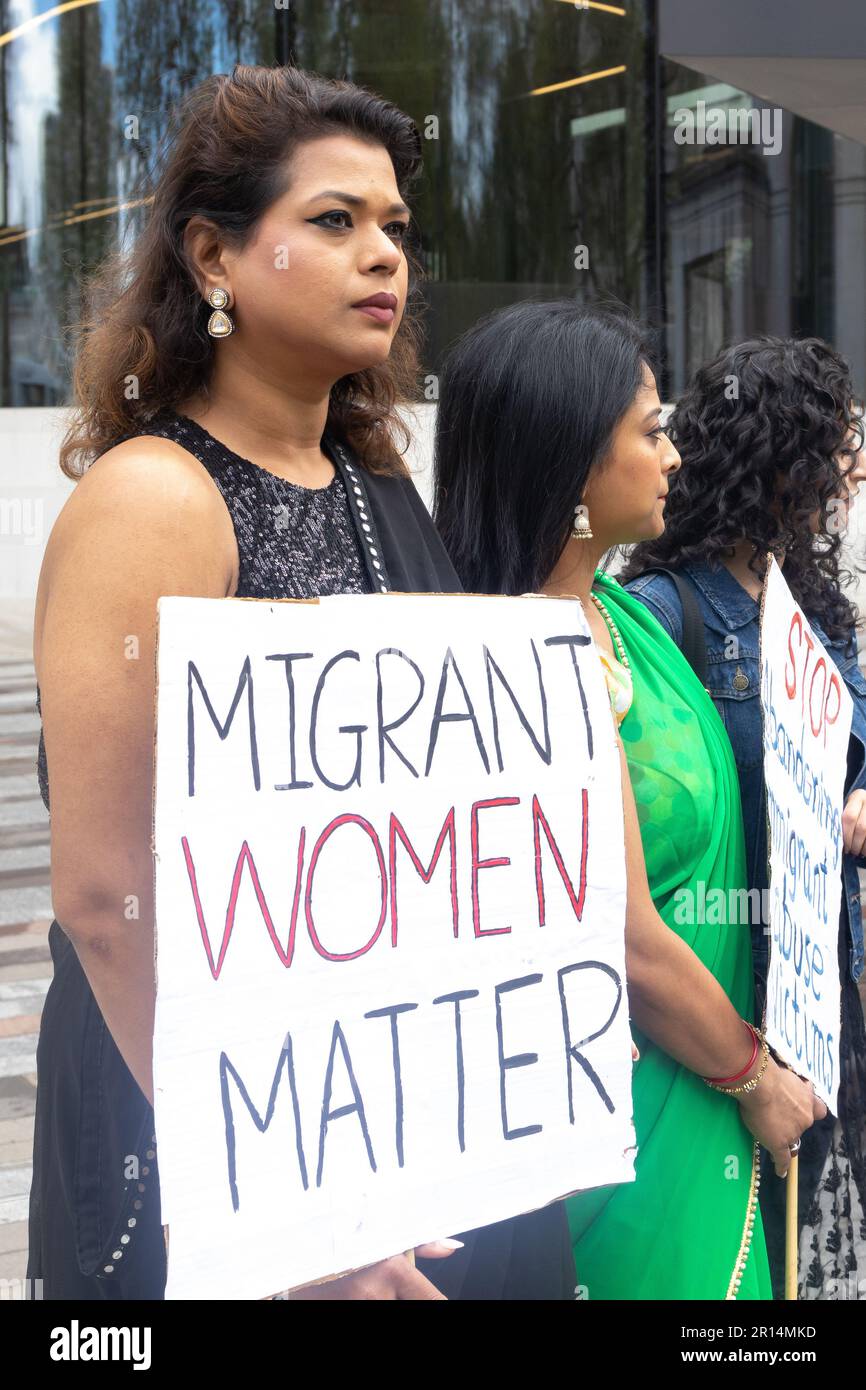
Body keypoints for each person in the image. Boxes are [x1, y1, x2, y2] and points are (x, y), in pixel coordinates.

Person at [27, 64, 575, 1302]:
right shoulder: (156, 499)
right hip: (200, 1140)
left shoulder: (378, 487)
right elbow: (109, 897)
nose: (383, 256)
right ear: (215, 256)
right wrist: (284, 1210)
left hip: (376, 1119)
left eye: (395, 229)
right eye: (333, 222)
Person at [432, 299, 826, 1299]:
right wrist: (753, 1078)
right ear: (570, 463)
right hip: (628, 1108)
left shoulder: (619, 616)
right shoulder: (520, 656)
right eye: (648, 432)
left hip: (702, 1077)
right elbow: (617, 928)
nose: (674, 458)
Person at [621, 334, 866, 1298]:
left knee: (808, 1253)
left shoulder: (815, 602)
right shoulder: (658, 613)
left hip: (821, 993)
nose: (848, 471)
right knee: (729, 1258)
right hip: (722, 1006)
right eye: (828, 448)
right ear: (770, 461)